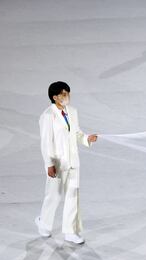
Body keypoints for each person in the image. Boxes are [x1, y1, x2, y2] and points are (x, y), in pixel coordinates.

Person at [36, 81, 97, 244]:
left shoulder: (73, 112)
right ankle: (44, 224)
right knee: (53, 196)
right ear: (55, 97)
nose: (67, 96)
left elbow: (76, 133)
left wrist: (86, 139)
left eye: (68, 93)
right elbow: (46, 142)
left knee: (72, 196)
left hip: (73, 162)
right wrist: (49, 163)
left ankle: (70, 231)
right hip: (57, 163)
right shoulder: (48, 116)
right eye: (63, 94)